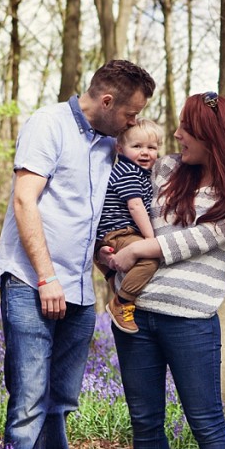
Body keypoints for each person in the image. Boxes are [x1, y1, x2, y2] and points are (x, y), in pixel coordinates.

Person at [97, 91, 225, 449]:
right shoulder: (167, 168)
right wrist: (109, 261)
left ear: (212, 136)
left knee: (207, 423)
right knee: (145, 422)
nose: (176, 135)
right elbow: (124, 204)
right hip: (135, 317)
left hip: (191, 322)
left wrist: (138, 252)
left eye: (186, 129)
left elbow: (193, 241)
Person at [0, 59, 155, 449]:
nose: (133, 122)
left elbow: (95, 211)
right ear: (106, 101)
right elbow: (26, 202)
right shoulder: (48, 125)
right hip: (33, 283)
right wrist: (47, 279)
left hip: (80, 292)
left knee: (60, 404)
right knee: (28, 403)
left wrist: (103, 258)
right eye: (130, 114)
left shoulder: (109, 144)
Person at [95, 119, 163, 334]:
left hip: (123, 232)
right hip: (118, 232)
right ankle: (121, 302)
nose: (145, 153)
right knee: (149, 258)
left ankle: (114, 281)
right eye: (137, 146)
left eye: (151, 148)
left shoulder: (141, 173)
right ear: (119, 148)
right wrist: (151, 239)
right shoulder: (128, 171)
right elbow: (135, 207)